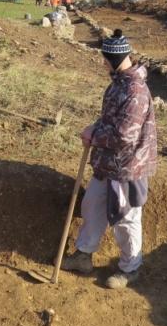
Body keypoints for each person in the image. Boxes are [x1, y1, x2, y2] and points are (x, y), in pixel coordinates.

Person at [62, 29, 157, 289]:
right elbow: (110, 119)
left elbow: (124, 135)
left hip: (127, 167)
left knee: (126, 218)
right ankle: (83, 255)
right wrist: (94, 128)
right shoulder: (119, 83)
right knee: (92, 205)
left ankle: (131, 268)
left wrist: (94, 136)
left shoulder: (135, 91)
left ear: (115, 59)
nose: (103, 62)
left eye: (105, 59)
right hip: (107, 163)